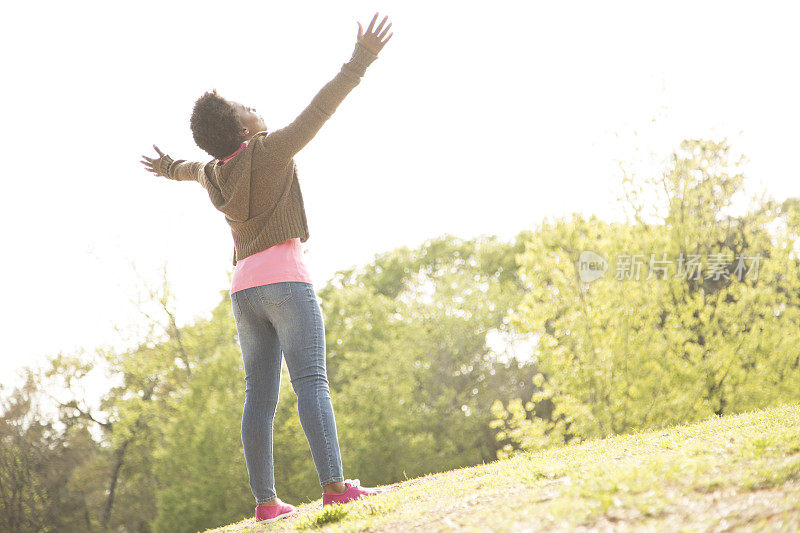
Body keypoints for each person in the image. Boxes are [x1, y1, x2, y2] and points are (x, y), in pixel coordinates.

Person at [139, 12, 393, 525]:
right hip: (285, 281)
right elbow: (320, 109)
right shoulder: (271, 150)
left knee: (259, 398)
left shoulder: (212, 172)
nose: (256, 109)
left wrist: (165, 167)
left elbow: (186, 169)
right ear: (244, 128)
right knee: (311, 381)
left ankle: (266, 502)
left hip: (243, 290)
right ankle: (336, 488)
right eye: (247, 107)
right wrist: (361, 59)